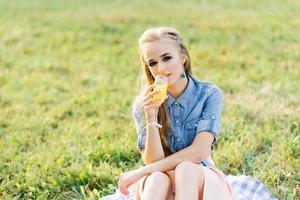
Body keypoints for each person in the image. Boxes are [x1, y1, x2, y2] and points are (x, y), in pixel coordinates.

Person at [115, 27, 277, 200]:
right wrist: (151, 117)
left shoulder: (208, 94)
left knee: (186, 168)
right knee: (156, 179)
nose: (160, 68)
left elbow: (199, 152)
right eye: (152, 63)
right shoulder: (144, 104)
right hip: (161, 181)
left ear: (183, 58)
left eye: (167, 58)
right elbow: (153, 162)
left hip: (199, 177)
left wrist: (141, 171)